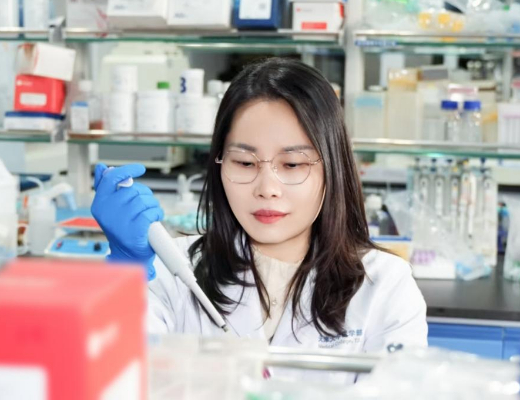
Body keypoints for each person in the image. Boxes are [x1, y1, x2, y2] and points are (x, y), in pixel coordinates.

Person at [91, 58, 427, 384]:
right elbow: (117, 383)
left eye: (292, 164)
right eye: (244, 163)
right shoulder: (170, 271)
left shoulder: (385, 286)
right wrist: (125, 280)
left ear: (333, 168)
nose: (267, 189)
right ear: (220, 164)